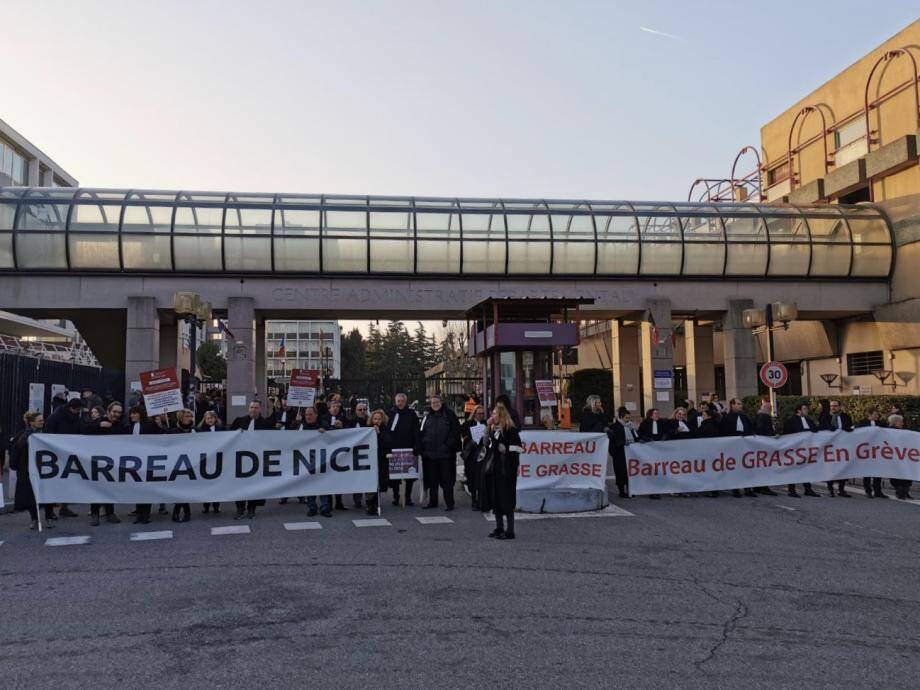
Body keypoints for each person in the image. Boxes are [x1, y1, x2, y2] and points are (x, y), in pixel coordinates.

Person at [480, 403, 523, 540]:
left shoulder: (511, 430)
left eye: (494, 414)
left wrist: (506, 449)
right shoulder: (494, 429)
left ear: (501, 415)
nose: (492, 416)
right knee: (496, 497)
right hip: (495, 468)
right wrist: (487, 427)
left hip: (506, 469)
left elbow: (518, 448)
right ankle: (499, 527)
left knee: (507, 499)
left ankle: (510, 530)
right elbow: (486, 443)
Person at [42, 397, 86, 518]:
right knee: (54, 482)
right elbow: (48, 434)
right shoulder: (55, 417)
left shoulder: (74, 416)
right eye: (78, 410)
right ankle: (50, 511)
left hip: (70, 453)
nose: (79, 412)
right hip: (56, 454)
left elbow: (80, 430)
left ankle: (64, 507)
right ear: (73, 408)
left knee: (68, 481)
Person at [11, 411, 56, 529]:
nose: (42, 422)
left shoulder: (46, 433)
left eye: (42, 420)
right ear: (31, 422)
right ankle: (34, 519)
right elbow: (17, 450)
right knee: (30, 495)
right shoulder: (23, 435)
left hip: (45, 468)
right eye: (39, 420)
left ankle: (49, 517)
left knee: (47, 493)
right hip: (28, 469)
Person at [86, 401, 126, 526]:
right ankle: (95, 514)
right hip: (96, 461)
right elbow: (84, 432)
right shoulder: (97, 422)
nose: (116, 414)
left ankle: (110, 513)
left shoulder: (120, 426)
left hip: (113, 462)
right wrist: (99, 426)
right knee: (97, 488)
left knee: (110, 488)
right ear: (108, 411)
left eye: (119, 412)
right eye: (114, 411)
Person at [229, 401, 272, 519]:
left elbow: (272, 441)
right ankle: (240, 508)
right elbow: (228, 436)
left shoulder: (266, 424)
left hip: (257, 459)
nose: (253, 409)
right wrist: (236, 433)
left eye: (256, 407)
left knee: (254, 484)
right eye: (251, 407)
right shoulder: (239, 421)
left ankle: (252, 508)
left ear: (260, 409)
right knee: (239, 485)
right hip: (241, 458)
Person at [419, 394, 462, 510]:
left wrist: (447, 446)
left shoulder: (449, 415)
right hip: (429, 454)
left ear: (441, 403)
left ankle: (449, 503)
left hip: (446, 454)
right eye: (433, 403)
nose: (435, 405)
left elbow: (455, 432)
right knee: (432, 480)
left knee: (447, 481)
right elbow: (421, 432)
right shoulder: (427, 417)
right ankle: (433, 502)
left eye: (437, 402)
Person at [126, 405, 162, 523]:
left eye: (134, 413)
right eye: (131, 413)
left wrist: (160, 424)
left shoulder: (150, 424)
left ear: (140, 414)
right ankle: (139, 513)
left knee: (147, 487)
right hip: (134, 461)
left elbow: (160, 436)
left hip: (148, 460)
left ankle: (146, 514)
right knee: (137, 488)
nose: (132, 415)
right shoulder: (130, 426)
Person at [298, 407, 333, 517]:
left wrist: (326, 432)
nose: (308, 416)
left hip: (323, 459)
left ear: (316, 415)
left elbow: (335, 435)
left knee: (323, 483)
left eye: (310, 414)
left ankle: (325, 508)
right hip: (309, 460)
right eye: (306, 414)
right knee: (310, 484)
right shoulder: (302, 425)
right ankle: (312, 507)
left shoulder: (324, 424)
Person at [719, 398, 757, 498]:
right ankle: (735, 489)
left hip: (744, 446)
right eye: (738, 404)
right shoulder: (727, 418)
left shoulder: (744, 416)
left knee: (747, 467)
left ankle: (748, 489)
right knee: (735, 468)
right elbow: (724, 432)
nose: (741, 406)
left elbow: (750, 428)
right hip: (733, 447)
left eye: (741, 404)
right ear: (732, 405)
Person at [387, 392, 421, 507]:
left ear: (405, 402)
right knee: (395, 474)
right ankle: (396, 496)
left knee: (409, 475)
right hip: (394, 448)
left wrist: (417, 445)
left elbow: (416, 430)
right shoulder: (390, 413)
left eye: (402, 401)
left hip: (409, 447)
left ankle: (408, 497)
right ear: (395, 402)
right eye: (398, 401)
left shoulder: (411, 414)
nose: (400, 403)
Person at [782, 402, 820, 498]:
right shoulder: (791, 421)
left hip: (806, 449)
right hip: (795, 449)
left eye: (806, 409)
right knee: (793, 469)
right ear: (799, 410)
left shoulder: (809, 420)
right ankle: (791, 490)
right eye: (804, 409)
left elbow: (815, 431)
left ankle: (808, 489)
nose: (806, 410)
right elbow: (787, 434)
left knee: (806, 469)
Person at [821, 400, 854, 497]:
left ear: (840, 406)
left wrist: (846, 429)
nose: (833, 407)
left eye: (835, 406)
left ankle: (841, 489)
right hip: (831, 446)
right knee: (831, 468)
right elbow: (822, 428)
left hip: (843, 446)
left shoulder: (845, 417)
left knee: (843, 468)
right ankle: (830, 489)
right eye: (831, 406)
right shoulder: (826, 417)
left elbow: (850, 427)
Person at [168, 408, 196, 522]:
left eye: (190, 416)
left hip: (192, 464)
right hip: (177, 464)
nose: (189, 418)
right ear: (180, 417)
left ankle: (179, 512)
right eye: (187, 416)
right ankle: (184, 512)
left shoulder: (195, 430)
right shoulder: (172, 431)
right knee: (180, 489)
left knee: (185, 489)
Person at [346, 401, 372, 508]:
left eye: (364, 410)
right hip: (355, 454)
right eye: (360, 410)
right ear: (355, 411)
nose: (362, 412)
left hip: (369, 454)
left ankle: (369, 499)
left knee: (368, 477)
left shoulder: (371, 422)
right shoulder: (351, 422)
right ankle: (357, 499)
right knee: (357, 477)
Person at [198, 409, 224, 513]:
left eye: (211, 418)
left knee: (216, 484)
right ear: (204, 419)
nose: (209, 420)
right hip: (205, 460)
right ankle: (206, 505)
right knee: (206, 484)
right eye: (207, 418)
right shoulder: (199, 430)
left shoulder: (221, 429)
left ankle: (216, 505)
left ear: (215, 419)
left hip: (218, 459)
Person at [461, 405, 487, 509]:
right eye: (479, 413)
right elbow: (463, 434)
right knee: (471, 476)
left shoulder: (486, 424)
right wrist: (470, 438)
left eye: (482, 413)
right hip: (471, 454)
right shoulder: (468, 424)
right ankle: (474, 500)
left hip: (483, 453)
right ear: (474, 414)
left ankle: (481, 500)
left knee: (481, 477)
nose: (481, 415)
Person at [857, 408, 887, 499]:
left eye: (877, 414)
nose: (877, 416)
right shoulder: (862, 423)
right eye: (875, 414)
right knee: (867, 471)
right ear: (869, 415)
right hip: (866, 450)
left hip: (878, 450)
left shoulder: (881, 424)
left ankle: (878, 491)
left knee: (878, 471)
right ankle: (868, 491)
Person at [366, 409, 392, 515]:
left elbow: (388, 443)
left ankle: (376, 503)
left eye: (379, 419)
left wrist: (379, 433)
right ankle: (369, 504)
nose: (377, 421)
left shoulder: (385, 430)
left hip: (380, 460)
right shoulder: (366, 430)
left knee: (378, 482)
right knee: (369, 482)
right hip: (368, 460)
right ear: (371, 419)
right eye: (375, 418)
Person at [750, 400, 779, 496]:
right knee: (765, 466)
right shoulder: (765, 416)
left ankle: (757, 487)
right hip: (764, 445)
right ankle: (764, 487)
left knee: (759, 466)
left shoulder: (758, 415)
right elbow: (764, 429)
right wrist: (771, 436)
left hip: (758, 445)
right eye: (770, 408)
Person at [609, 407, 637, 498]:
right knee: (621, 472)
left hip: (630, 452)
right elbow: (613, 441)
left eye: (629, 418)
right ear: (621, 417)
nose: (628, 420)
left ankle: (630, 490)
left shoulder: (631, 426)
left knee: (630, 471)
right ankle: (621, 491)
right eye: (626, 418)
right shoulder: (614, 427)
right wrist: (623, 443)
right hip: (619, 453)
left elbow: (636, 436)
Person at [888, 414, 912, 499]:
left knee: (905, 473)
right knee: (897, 475)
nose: (902, 423)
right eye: (900, 421)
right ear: (894, 422)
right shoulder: (889, 431)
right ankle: (900, 491)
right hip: (895, 456)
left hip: (903, 455)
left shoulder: (903, 431)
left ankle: (905, 491)